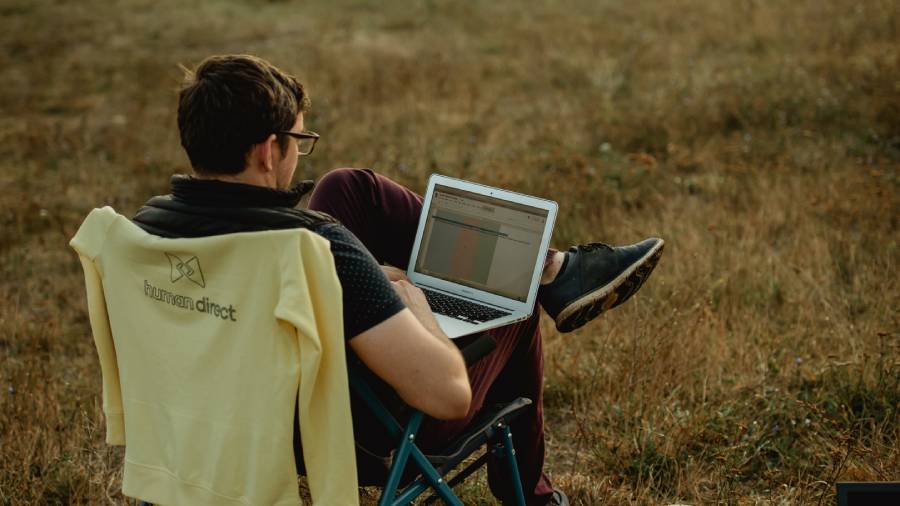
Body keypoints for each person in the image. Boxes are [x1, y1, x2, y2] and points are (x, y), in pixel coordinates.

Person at [132, 54, 664, 506]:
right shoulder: (315, 250)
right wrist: (405, 296)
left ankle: (551, 268)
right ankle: (534, 487)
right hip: (360, 430)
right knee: (516, 302)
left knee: (348, 186)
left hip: (232, 416)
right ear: (268, 151)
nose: (300, 153)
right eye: (299, 140)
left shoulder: (141, 236)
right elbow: (449, 396)